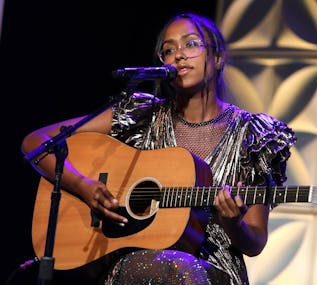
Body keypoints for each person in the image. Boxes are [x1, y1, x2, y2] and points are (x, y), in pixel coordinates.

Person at [21, 12, 296, 285]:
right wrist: (83, 185)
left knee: (177, 268)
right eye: (168, 50)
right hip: (135, 262)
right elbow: (35, 143)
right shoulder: (142, 115)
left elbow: (255, 242)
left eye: (190, 44)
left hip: (215, 270)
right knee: (161, 266)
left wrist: (234, 223)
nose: (178, 55)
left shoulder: (254, 135)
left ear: (218, 57)